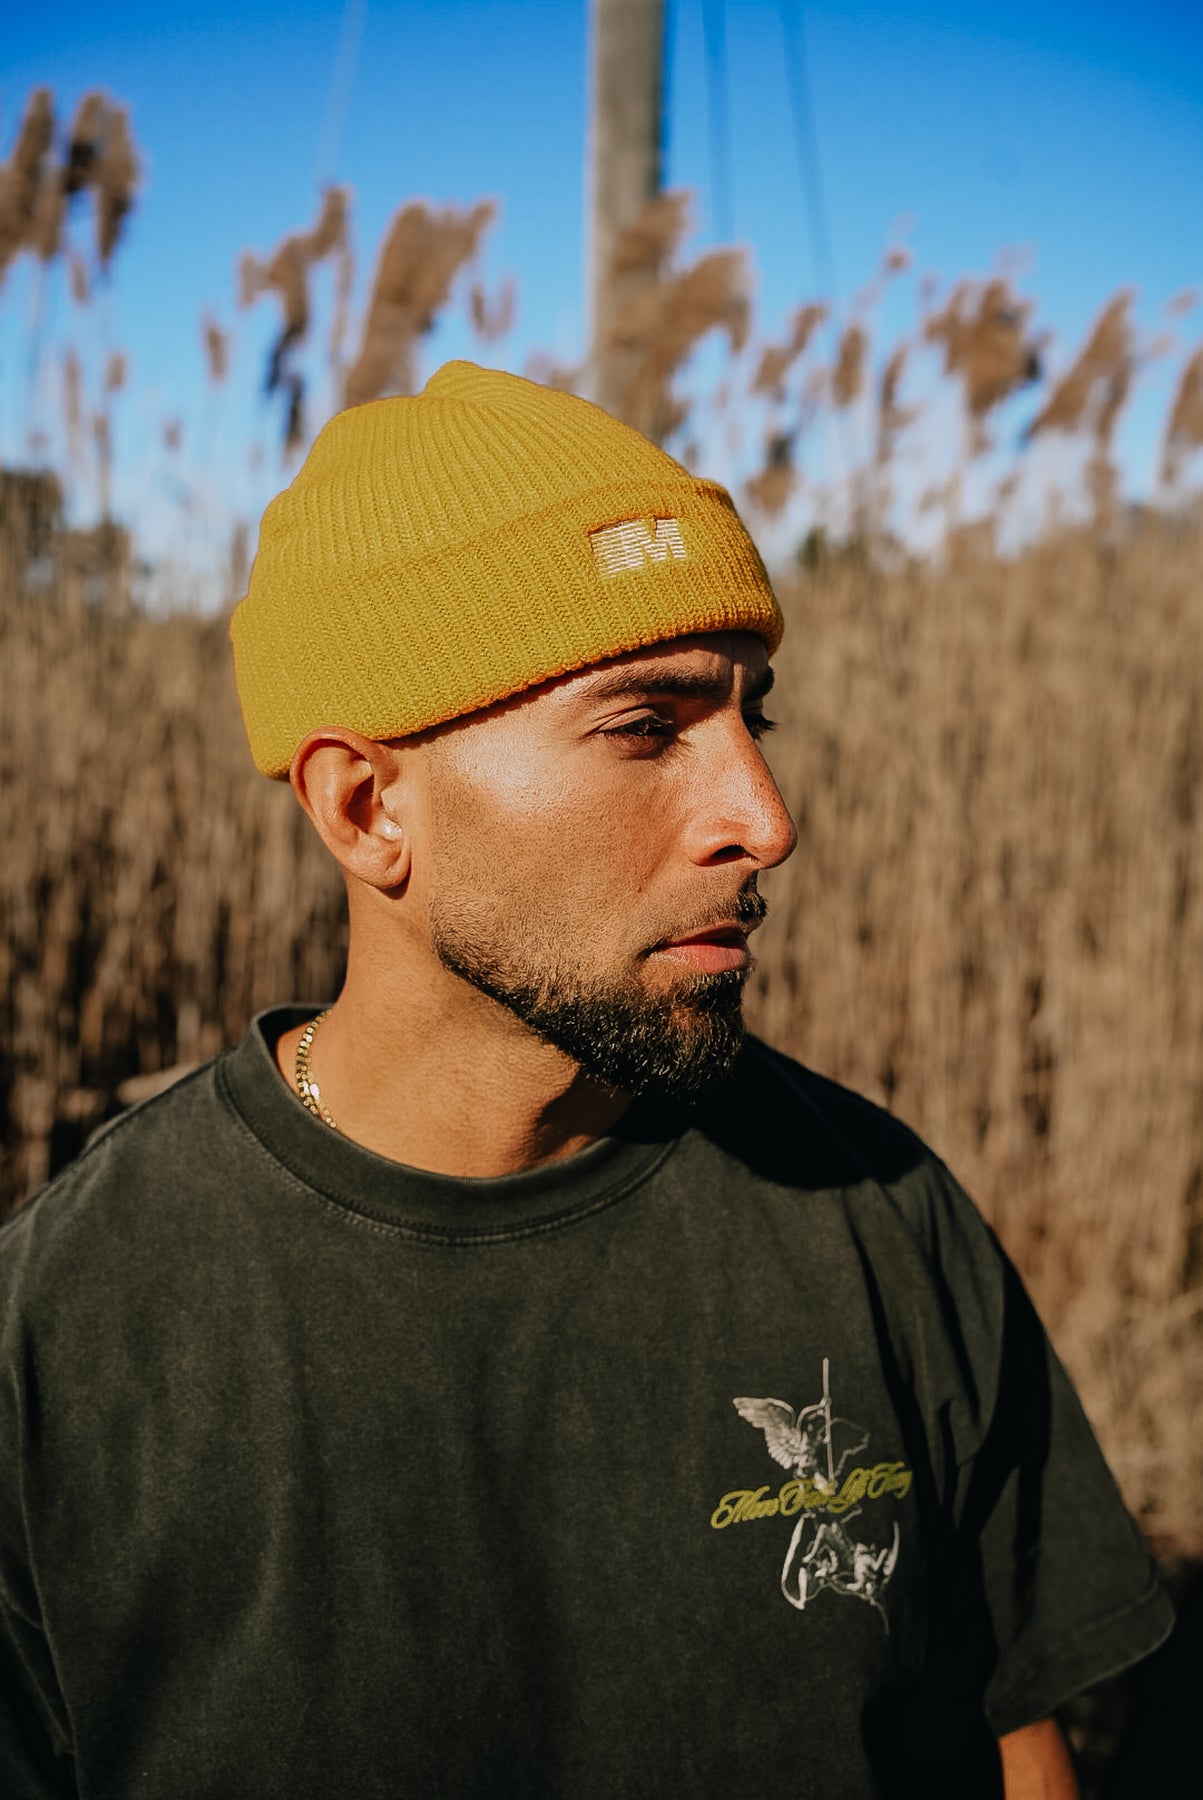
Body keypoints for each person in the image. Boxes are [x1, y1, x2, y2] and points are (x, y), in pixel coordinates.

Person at [0, 362, 1172, 1798]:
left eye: (753, 718)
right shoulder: (65, 1338)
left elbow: (1015, 1748)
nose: (764, 819)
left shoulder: (873, 1208)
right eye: (644, 728)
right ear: (366, 808)